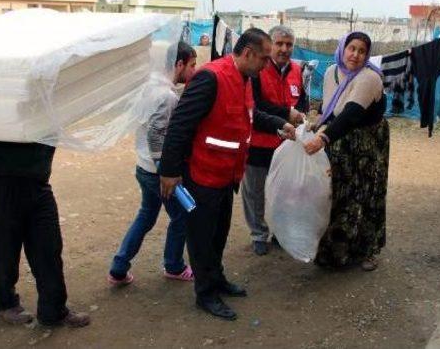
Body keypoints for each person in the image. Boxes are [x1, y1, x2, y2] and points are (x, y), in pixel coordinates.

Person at [159, 28, 296, 321]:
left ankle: (216, 278)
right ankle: (205, 293)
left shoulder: (246, 79)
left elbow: (249, 116)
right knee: (201, 237)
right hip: (200, 176)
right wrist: (170, 172)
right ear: (248, 54)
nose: (266, 65)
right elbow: (180, 126)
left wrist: (277, 124)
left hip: (226, 176)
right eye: (263, 58)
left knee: (218, 233)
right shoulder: (211, 78)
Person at [108, 41, 197, 286]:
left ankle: (119, 266)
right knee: (181, 217)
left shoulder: (149, 87)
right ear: (178, 64)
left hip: (143, 166)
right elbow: (156, 134)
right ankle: (174, 265)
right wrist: (165, 171)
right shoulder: (167, 96)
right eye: (191, 64)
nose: (193, 70)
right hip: (158, 172)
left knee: (146, 216)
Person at [0, 141, 90, 327]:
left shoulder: (46, 112)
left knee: (48, 247)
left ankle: (53, 310)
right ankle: (4, 302)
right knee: (4, 248)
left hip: (37, 183)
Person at [304, 31, 389, 272]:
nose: (355, 55)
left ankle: (369, 249)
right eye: (352, 48)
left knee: (366, 193)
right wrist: (317, 125)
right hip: (338, 138)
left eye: (362, 51)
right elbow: (331, 108)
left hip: (366, 142)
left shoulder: (369, 78)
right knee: (338, 193)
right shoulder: (332, 72)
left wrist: (322, 138)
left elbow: (351, 113)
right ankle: (336, 251)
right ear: (343, 48)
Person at [242, 25, 308, 255]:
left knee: (286, 190)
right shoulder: (257, 69)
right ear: (270, 45)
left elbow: (302, 103)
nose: (284, 49)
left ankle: (281, 231)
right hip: (259, 142)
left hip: (287, 145)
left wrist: (299, 113)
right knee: (254, 191)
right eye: (279, 43)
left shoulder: (297, 71)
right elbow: (255, 107)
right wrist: (286, 114)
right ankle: (259, 233)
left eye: (289, 44)